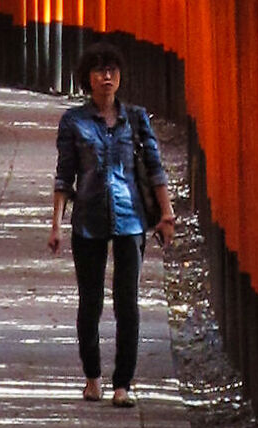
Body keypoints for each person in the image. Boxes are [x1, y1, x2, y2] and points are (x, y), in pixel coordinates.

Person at [48, 41, 174, 405]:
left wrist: (165, 214)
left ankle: (123, 385)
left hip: (131, 218)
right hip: (87, 218)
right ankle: (92, 377)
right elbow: (64, 177)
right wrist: (56, 225)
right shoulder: (73, 121)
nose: (107, 76)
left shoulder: (136, 118)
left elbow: (154, 169)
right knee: (90, 302)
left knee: (127, 303)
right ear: (87, 78)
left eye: (112, 70)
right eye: (100, 70)